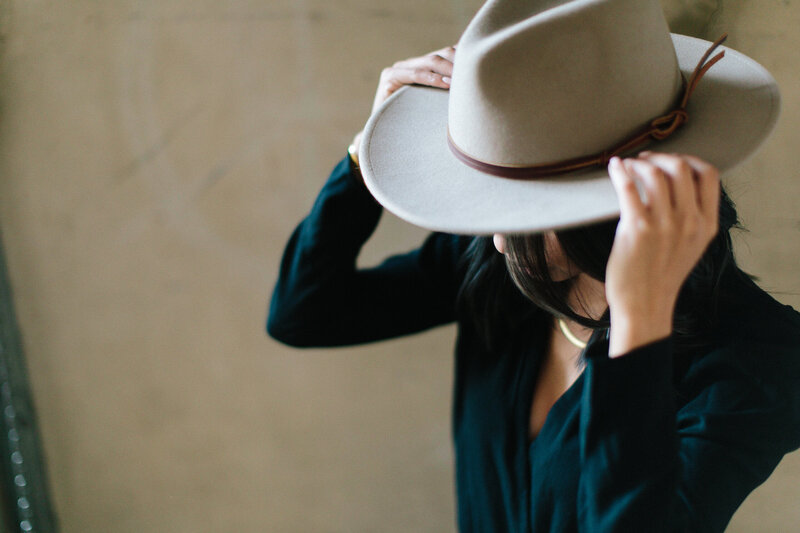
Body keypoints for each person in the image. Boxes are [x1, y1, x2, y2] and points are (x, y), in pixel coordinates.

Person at [267, 0, 800, 531]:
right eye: (498, 199)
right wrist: (362, 156)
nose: (500, 241)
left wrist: (640, 323)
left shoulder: (760, 357)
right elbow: (304, 313)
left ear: (611, 203)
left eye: (534, 208)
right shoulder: (496, 264)